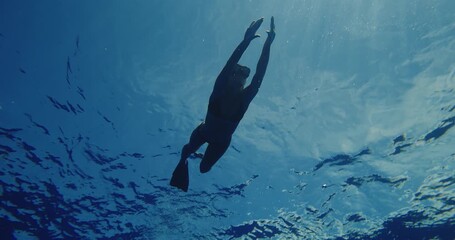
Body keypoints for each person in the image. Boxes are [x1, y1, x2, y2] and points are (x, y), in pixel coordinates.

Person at [170, 17, 276, 192]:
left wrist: (268, 44)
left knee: (204, 169)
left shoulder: (246, 97)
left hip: (221, 143)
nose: (240, 76)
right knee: (187, 152)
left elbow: (260, 73)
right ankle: (184, 161)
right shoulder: (219, 89)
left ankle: (198, 156)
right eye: (237, 72)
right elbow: (229, 63)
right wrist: (246, 40)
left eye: (244, 74)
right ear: (229, 76)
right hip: (203, 132)